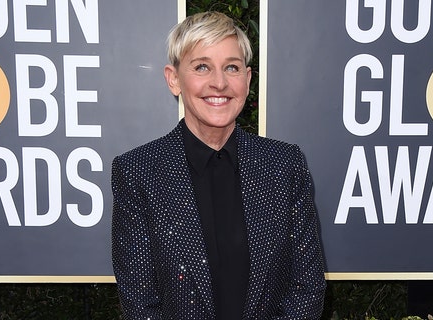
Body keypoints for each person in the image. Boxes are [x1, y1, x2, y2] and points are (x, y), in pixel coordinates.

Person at [111, 11, 326, 319]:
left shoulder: (284, 165)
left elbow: (307, 288)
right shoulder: (138, 172)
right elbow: (140, 304)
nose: (220, 83)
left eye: (232, 68)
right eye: (202, 67)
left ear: (248, 80)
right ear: (174, 79)